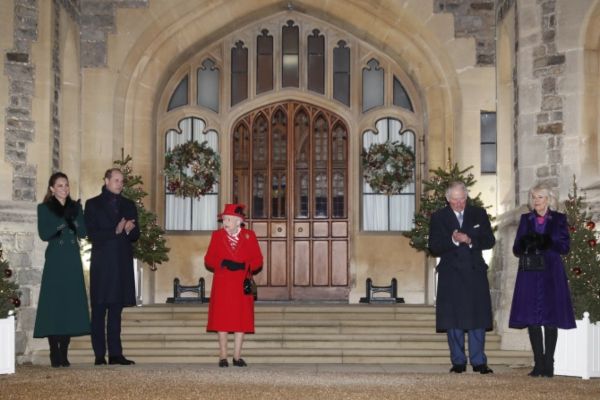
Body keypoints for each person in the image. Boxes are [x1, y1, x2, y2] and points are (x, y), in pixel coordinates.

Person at [428, 181, 496, 374]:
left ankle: (479, 361)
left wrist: (470, 240)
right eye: (455, 200)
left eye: (463, 199)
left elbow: (490, 241)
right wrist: (453, 240)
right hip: (451, 273)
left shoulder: (479, 214)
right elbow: (434, 246)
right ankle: (458, 361)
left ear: (467, 197)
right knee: (453, 319)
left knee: (478, 318)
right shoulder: (439, 217)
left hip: (475, 272)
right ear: (448, 199)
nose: (459, 204)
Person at [509, 183, 575, 378]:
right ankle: (538, 364)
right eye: (533, 197)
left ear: (549, 199)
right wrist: (525, 243)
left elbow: (565, 247)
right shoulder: (525, 219)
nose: (536, 201)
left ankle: (549, 364)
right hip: (530, 272)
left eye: (540, 197)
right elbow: (516, 249)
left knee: (550, 318)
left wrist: (548, 242)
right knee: (533, 319)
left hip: (552, 272)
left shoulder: (559, 219)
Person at [34, 172, 90, 367]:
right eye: (60, 185)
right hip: (56, 260)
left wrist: (74, 220)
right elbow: (44, 233)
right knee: (53, 305)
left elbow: (83, 232)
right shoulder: (44, 208)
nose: (64, 188)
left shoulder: (76, 207)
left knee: (69, 305)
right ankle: (53, 351)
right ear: (51, 188)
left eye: (66, 185)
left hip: (72, 259)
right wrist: (62, 222)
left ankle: (64, 352)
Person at [84, 168, 139, 366]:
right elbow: (92, 234)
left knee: (116, 312)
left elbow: (135, 235)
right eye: (116, 180)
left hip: (121, 264)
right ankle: (99, 354)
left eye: (121, 181)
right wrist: (114, 230)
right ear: (106, 180)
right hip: (102, 264)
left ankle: (116, 354)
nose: (120, 184)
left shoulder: (128, 205)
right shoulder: (93, 204)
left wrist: (130, 230)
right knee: (99, 311)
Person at [204, 204, 263, 367]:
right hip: (223, 284)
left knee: (241, 319)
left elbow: (258, 260)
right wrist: (222, 262)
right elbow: (208, 259)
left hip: (241, 284)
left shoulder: (249, 236)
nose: (225, 222)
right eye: (224, 219)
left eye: (228, 219)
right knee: (221, 319)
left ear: (239, 221)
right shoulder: (217, 236)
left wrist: (245, 266)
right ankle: (223, 357)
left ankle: (237, 356)